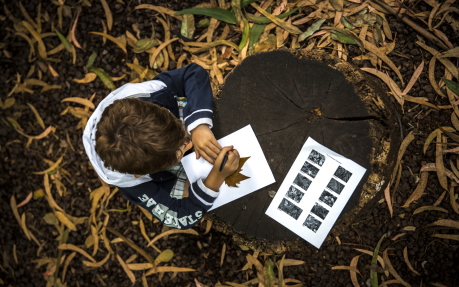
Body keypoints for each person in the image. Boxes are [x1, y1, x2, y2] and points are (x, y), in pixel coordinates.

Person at [82, 63, 240, 229]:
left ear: (159, 109)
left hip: (155, 121)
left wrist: (198, 126)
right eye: (181, 152)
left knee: (196, 111)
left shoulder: (152, 94)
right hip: (157, 168)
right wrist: (215, 178)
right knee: (184, 193)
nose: (191, 144)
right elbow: (179, 217)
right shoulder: (131, 182)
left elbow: (193, 73)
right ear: (141, 174)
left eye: (183, 133)